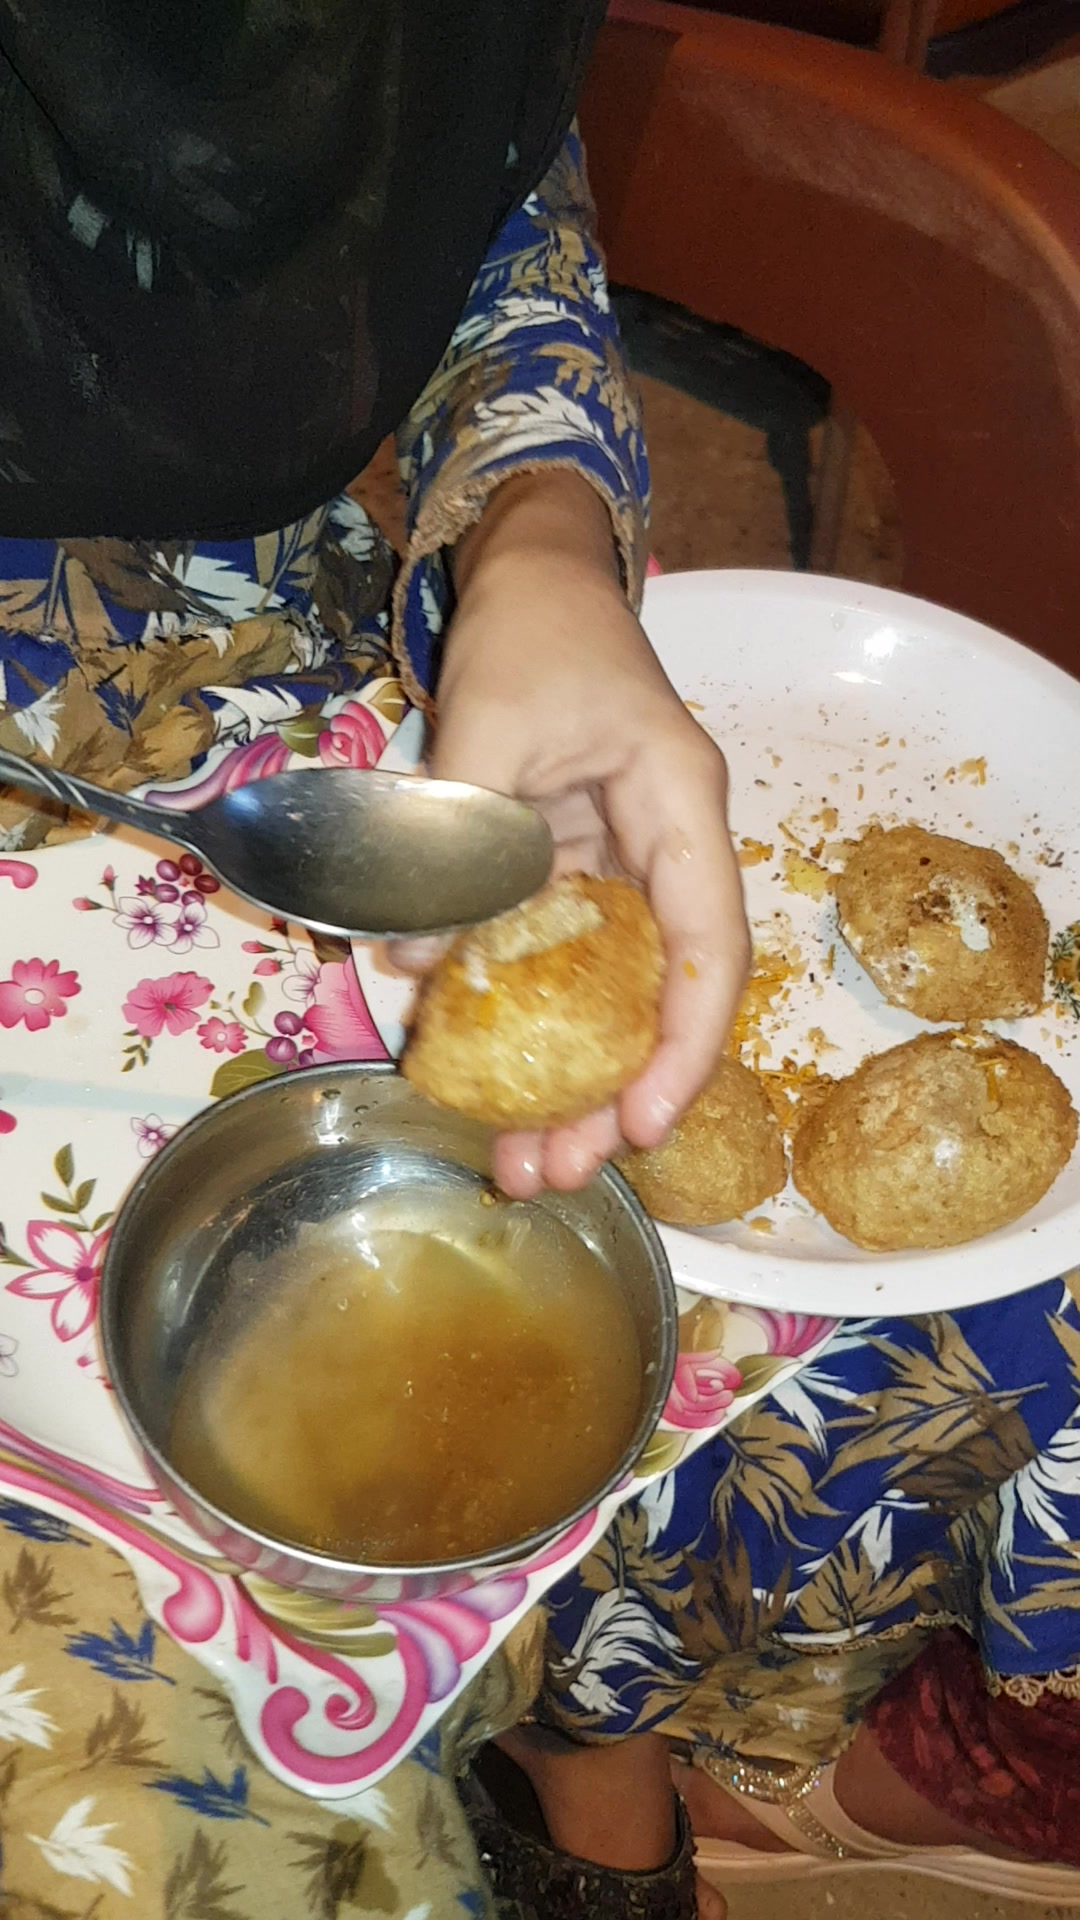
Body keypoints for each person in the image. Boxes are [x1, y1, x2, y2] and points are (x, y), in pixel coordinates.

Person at [1, 8, 1078, 1920]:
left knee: (982, 1326)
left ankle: (607, 1751)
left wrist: (540, 530)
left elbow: (480, 181)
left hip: (285, 638)